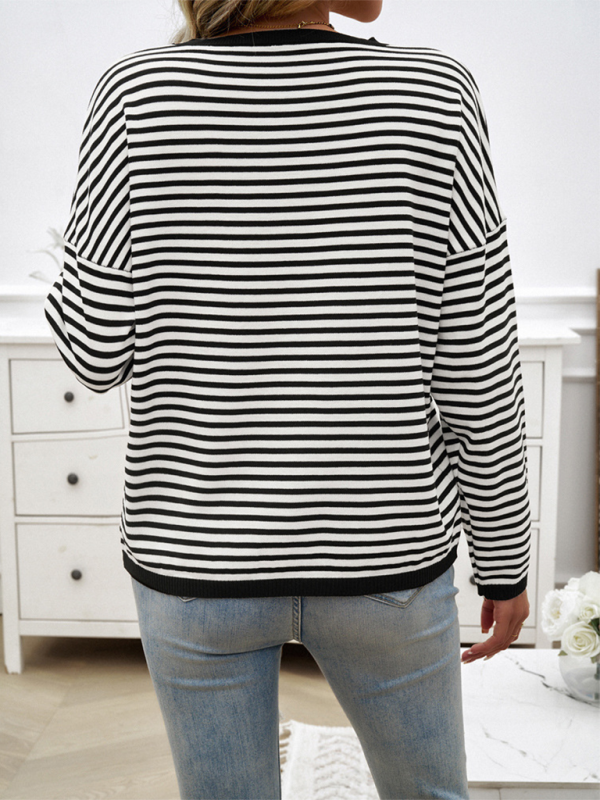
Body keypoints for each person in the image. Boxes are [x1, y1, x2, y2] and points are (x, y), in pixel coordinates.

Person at [44, 1, 531, 797]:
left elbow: (93, 354)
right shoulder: (435, 91)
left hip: (197, 560)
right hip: (385, 555)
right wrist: (505, 563)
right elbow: (477, 368)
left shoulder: (136, 93)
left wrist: (80, 253)